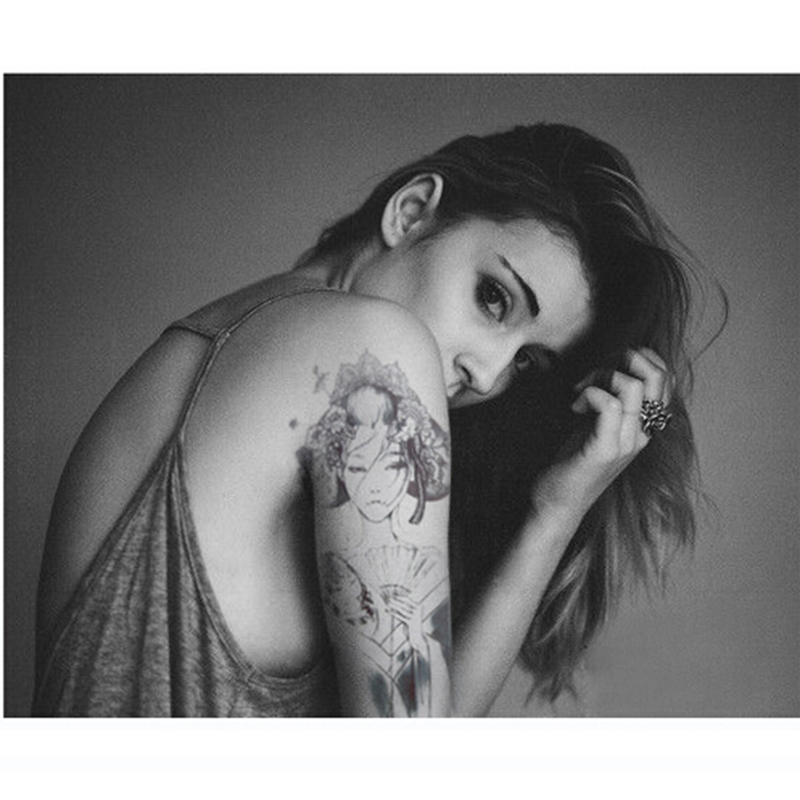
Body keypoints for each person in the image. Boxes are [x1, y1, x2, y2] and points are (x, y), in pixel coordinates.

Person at [33, 123, 719, 717]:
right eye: (493, 297)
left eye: (528, 361)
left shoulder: (204, 344)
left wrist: (556, 509)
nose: (489, 374)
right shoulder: (375, 350)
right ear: (412, 211)